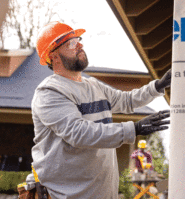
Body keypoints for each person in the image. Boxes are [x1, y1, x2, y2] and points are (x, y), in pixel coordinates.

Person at [26, 21, 171, 199]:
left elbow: (125, 100)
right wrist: (134, 129)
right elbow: (79, 133)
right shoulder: (49, 92)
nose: (80, 45)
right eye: (71, 43)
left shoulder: (93, 85)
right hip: (66, 195)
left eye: (78, 40)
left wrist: (157, 86)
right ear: (54, 56)